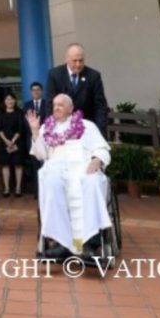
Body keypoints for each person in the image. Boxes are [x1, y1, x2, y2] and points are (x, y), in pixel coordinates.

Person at [28, 94, 111, 260]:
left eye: (61, 105)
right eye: (55, 105)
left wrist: (97, 160)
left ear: (71, 109)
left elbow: (102, 148)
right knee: (51, 181)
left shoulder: (87, 125)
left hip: (83, 166)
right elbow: (41, 155)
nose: (56, 108)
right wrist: (35, 131)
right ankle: (60, 242)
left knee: (93, 182)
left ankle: (89, 242)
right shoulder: (47, 127)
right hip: (57, 167)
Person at [44, 43, 109, 136]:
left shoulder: (93, 76)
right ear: (66, 59)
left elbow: (100, 106)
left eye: (81, 60)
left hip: (87, 128)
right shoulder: (55, 75)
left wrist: (100, 132)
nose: (78, 64)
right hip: (62, 129)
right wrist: (51, 128)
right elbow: (49, 103)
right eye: (74, 61)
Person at [0, 93, 25, 197]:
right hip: (4, 143)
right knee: (5, 165)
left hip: (17, 142)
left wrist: (13, 141)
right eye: (7, 99)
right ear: (4, 101)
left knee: (18, 165)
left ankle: (18, 188)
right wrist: (6, 141)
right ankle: (7, 188)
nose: (10, 101)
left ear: (15, 101)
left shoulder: (20, 113)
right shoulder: (0, 113)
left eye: (12, 99)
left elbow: (21, 128)